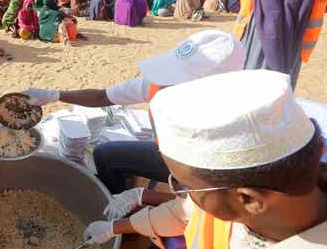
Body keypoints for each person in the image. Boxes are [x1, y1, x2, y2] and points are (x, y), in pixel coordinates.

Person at [83, 69, 327, 249]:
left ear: (247, 199)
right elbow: (185, 213)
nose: (182, 194)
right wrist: (114, 228)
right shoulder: (252, 202)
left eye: (184, 186)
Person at [23, 30, 246, 194]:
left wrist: (142, 199)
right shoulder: (159, 82)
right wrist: (55, 95)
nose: (169, 84)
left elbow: (201, 200)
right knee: (104, 155)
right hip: (165, 153)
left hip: (194, 175)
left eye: (181, 81)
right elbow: (102, 96)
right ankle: (113, 199)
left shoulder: (231, 124)